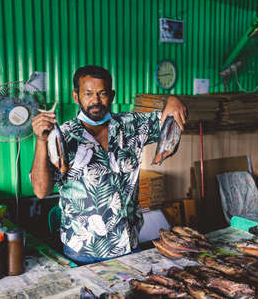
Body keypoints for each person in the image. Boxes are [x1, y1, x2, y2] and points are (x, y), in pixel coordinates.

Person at [30, 65, 187, 264]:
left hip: (129, 246)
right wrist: (41, 141)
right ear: (75, 96)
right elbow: (41, 191)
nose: (95, 101)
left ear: (112, 95)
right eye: (88, 94)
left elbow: (172, 118)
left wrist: (173, 100)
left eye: (102, 93)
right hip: (83, 252)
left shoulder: (132, 125)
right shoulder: (62, 136)